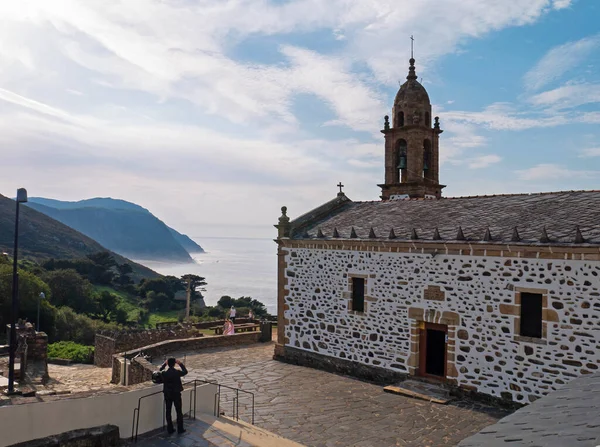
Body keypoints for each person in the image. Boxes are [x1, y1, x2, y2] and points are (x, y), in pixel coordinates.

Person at [160, 357, 188, 434]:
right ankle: (180, 429)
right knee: (179, 411)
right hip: (176, 394)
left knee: (168, 411)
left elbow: (160, 370)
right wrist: (180, 364)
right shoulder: (177, 372)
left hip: (168, 394)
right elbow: (185, 371)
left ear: (168, 364)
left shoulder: (164, 373)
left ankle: (170, 429)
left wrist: (164, 364)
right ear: (174, 364)